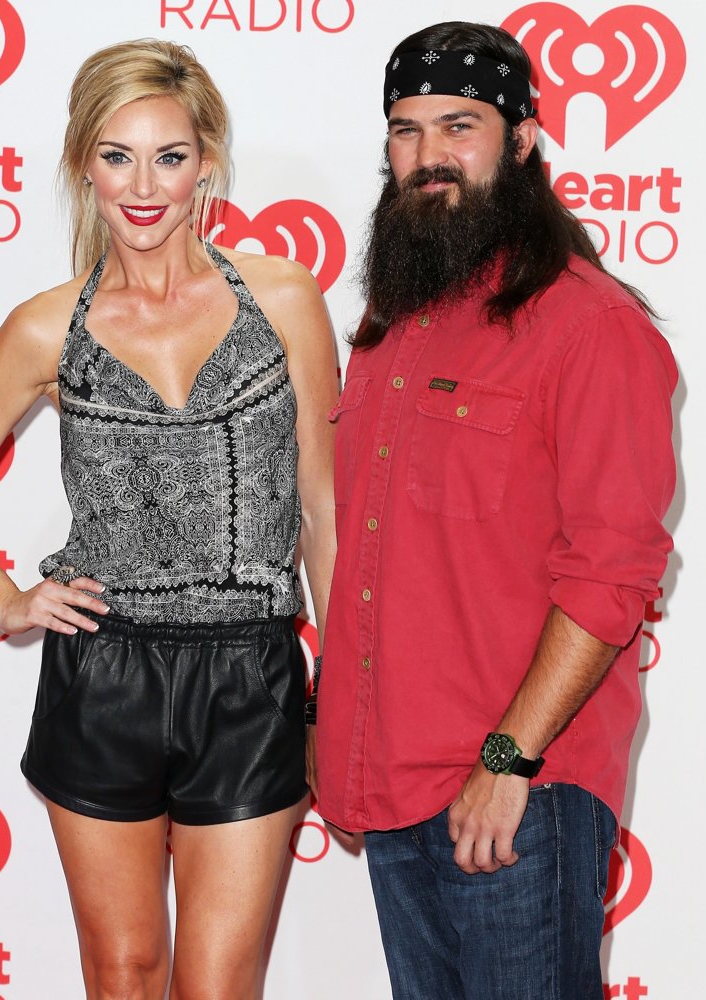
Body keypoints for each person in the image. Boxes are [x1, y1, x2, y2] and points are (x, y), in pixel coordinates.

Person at [0, 39, 337, 1000]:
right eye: (118, 155)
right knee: (123, 977)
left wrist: (347, 677)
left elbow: (324, 503)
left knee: (216, 984)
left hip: (251, 675)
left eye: (169, 155)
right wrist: (0, 598)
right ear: (85, 162)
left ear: (207, 160)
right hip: (103, 677)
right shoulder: (50, 325)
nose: (144, 184)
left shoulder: (282, 297)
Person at [312, 20, 677, 1000]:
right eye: (405, 128)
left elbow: (614, 571)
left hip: (519, 790)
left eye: (459, 124)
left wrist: (508, 760)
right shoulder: (390, 326)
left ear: (522, 140)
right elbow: (375, 552)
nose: (428, 155)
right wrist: (340, 742)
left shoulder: (590, 326)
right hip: (396, 783)